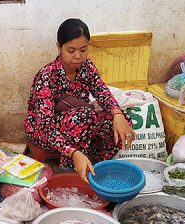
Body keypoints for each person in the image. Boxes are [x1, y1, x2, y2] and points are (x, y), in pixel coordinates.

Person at [24, 18, 135, 183]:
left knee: (121, 119)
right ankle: (70, 170)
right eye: (71, 50)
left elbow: (101, 92)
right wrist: (73, 152)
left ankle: (95, 165)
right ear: (59, 47)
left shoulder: (87, 67)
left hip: (79, 125)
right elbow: (45, 126)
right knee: (84, 117)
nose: (78, 56)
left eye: (83, 50)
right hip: (43, 131)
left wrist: (117, 113)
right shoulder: (47, 76)